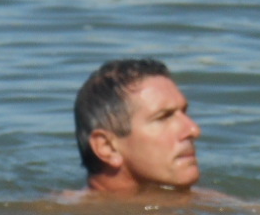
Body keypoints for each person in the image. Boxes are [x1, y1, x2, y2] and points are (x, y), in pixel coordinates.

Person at [74, 58, 201, 197]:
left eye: (184, 112)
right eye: (164, 117)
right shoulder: (66, 209)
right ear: (107, 147)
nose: (194, 130)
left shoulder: (207, 202)